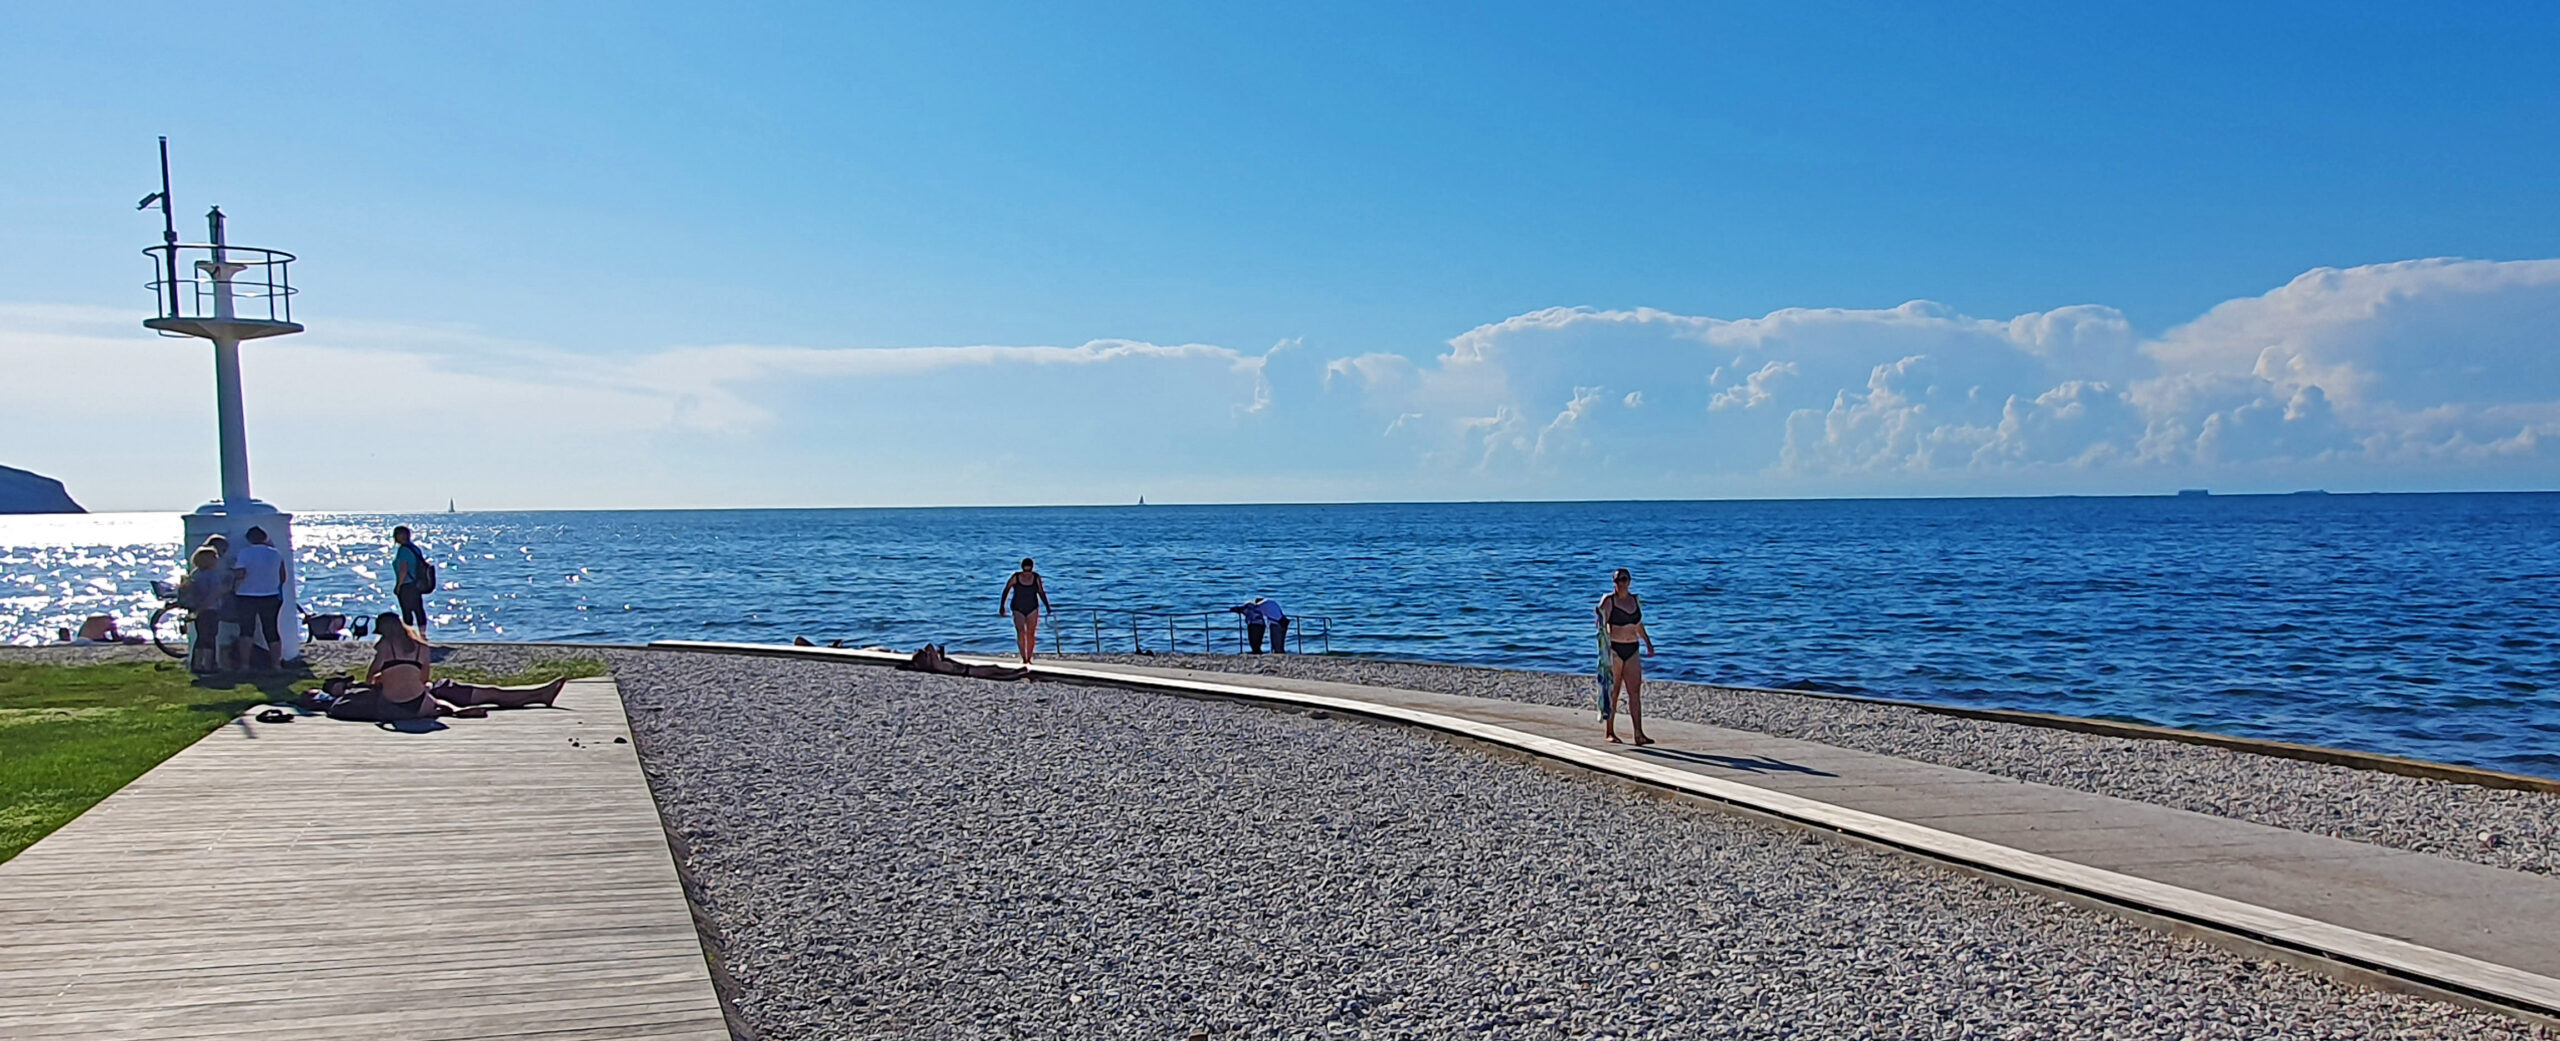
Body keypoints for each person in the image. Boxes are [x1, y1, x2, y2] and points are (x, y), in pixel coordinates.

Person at [328, 613, 566, 721]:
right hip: (421, 700)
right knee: (485, 692)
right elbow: (424, 679)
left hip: (399, 704)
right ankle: (536, 694)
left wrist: (385, 677)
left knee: (447, 695)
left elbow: (371, 678)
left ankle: (453, 709)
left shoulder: (384, 647)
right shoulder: (420, 647)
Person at [1595, 568, 1655, 746]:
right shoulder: (1609, 600)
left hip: (1632, 649)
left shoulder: (1635, 600)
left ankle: (1638, 733)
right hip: (1615, 649)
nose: (1619, 583)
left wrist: (1648, 643)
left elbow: (1638, 625)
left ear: (1629, 581)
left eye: (1623, 579)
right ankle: (1610, 731)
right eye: (1616, 580)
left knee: (1634, 692)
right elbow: (1600, 624)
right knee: (1613, 692)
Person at [230, 526, 290, 670]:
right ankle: (276, 664)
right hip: (270, 595)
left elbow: (240, 573)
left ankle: (244, 664)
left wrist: (232, 583)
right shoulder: (276, 553)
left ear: (249, 539)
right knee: (271, 630)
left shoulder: (244, 553)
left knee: (246, 630)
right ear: (265, 537)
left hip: (246, 595)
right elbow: (283, 577)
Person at [176, 546, 233, 672]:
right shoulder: (212, 575)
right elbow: (215, 592)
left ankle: (197, 664)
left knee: (200, 636)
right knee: (210, 636)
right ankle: (208, 665)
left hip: (197, 608)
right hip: (210, 609)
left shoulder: (195, 573)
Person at [998, 558, 1051, 664]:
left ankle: (1029, 657)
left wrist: (1047, 606)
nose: (1027, 573)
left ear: (1032, 568)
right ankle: (1024, 657)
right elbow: (1006, 590)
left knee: (1031, 633)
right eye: (1025, 570)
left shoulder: (1036, 577)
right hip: (1018, 607)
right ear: (1022, 568)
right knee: (1021, 632)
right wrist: (1002, 606)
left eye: (1029, 570)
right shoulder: (1016, 577)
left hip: (1032, 607)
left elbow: (1041, 592)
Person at [391, 526, 431, 632]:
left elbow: (403, 570)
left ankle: (410, 635)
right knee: (419, 610)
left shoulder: (403, 550)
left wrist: (398, 586)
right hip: (416, 583)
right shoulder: (414, 548)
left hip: (406, 585)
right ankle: (423, 634)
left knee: (407, 612)